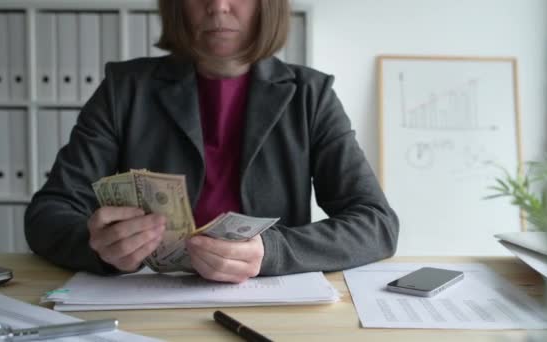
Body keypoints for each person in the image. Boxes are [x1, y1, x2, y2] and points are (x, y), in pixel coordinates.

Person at [24, 0, 399, 283]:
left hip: (268, 304)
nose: (218, 6)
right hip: (147, 299)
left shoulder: (311, 95)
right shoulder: (125, 89)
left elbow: (376, 224)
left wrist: (272, 252)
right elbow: (47, 214)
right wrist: (98, 246)